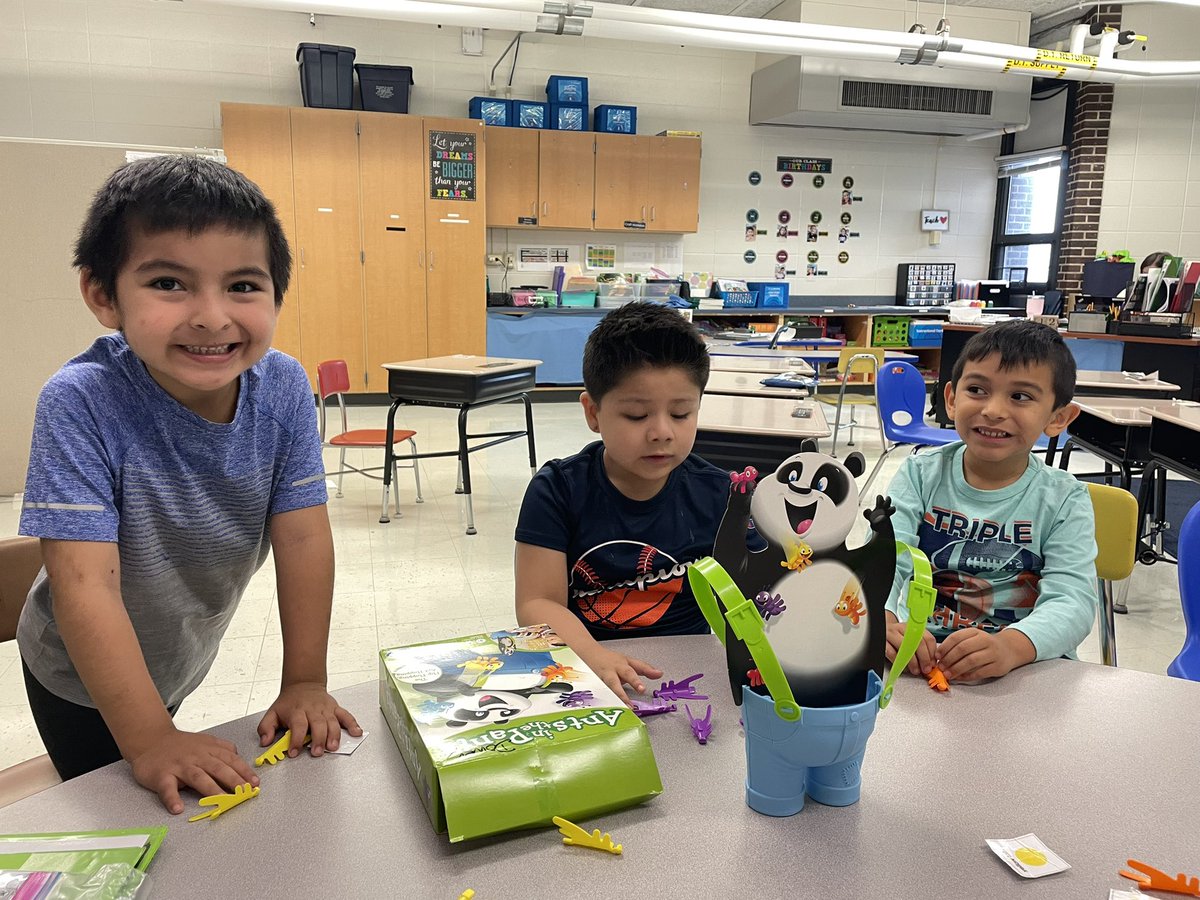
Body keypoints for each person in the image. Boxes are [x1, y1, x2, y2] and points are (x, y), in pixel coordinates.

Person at [18, 155, 360, 814]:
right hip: (79, 677)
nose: (211, 317)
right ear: (103, 294)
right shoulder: (81, 402)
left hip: (178, 649)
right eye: (170, 282)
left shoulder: (283, 384)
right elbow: (83, 584)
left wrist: (306, 679)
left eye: (242, 286)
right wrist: (149, 738)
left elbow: (303, 538)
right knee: (132, 821)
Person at [514, 303, 731, 703]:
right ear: (593, 413)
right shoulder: (557, 491)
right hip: (582, 667)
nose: (662, 432)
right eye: (636, 415)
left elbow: (769, 591)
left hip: (687, 675)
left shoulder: (719, 494)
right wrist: (593, 655)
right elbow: (536, 601)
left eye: (681, 414)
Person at [884, 319, 1095, 683]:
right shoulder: (918, 475)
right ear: (951, 399)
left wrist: (1012, 647)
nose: (994, 410)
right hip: (920, 656)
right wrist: (883, 620)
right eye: (978, 389)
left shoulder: (1065, 499)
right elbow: (886, 562)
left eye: (1021, 396)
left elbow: (1072, 601)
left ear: (1059, 417)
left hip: (1024, 669)